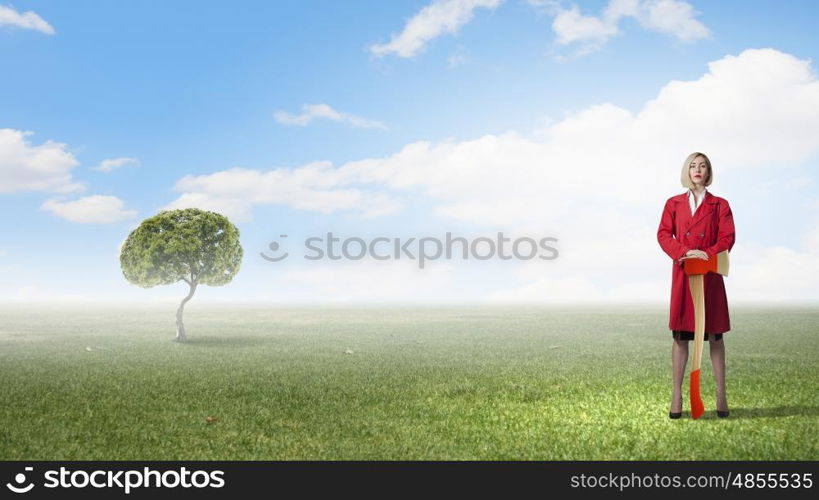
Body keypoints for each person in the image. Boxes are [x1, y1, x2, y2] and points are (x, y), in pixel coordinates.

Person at [657, 152, 735, 419]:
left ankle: (721, 394)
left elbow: (728, 236)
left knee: (715, 336)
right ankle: (677, 395)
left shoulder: (720, 205)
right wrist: (684, 252)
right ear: (686, 170)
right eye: (693, 165)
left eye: (702, 166)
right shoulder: (673, 203)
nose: (697, 169)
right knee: (680, 336)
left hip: (709, 273)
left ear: (708, 171)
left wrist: (707, 253)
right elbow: (664, 234)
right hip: (683, 271)